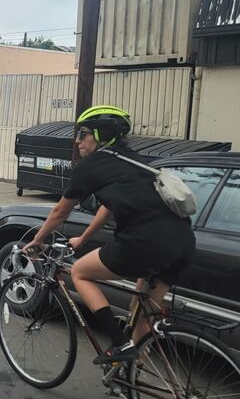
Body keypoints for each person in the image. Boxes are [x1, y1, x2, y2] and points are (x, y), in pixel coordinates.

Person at [23, 105, 195, 364]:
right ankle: (133, 377)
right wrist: (83, 238)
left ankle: (118, 341)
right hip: (182, 243)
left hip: (143, 242)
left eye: (83, 134)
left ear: (101, 135)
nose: (78, 141)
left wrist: (38, 239)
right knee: (142, 314)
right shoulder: (135, 161)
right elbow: (108, 206)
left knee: (80, 272)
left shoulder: (91, 166)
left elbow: (60, 211)